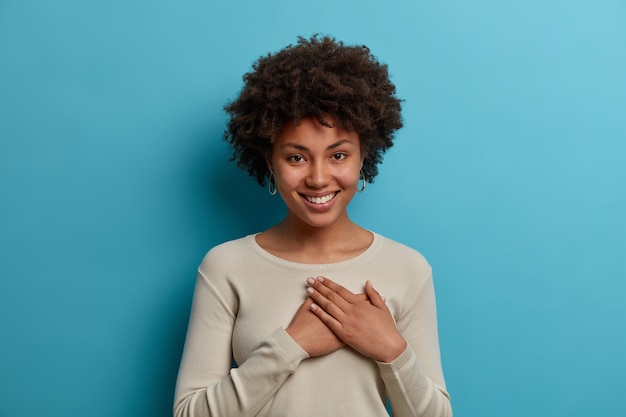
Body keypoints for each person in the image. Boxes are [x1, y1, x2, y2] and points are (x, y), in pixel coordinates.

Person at [174, 35, 452, 417]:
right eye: (296, 157)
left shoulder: (407, 268)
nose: (319, 178)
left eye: (338, 154)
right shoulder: (226, 267)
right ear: (270, 162)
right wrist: (291, 345)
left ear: (363, 157)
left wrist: (391, 350)